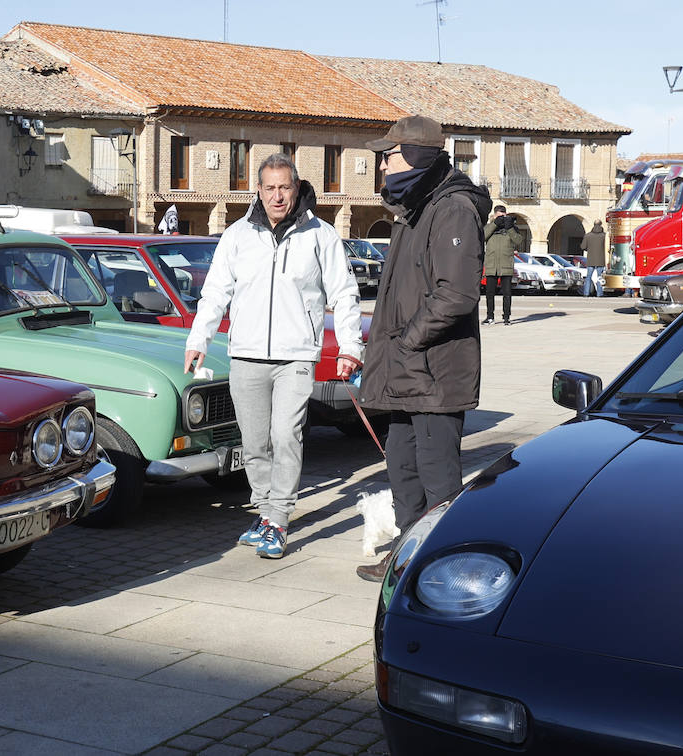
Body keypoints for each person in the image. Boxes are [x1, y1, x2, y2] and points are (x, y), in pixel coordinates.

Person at [184, 153, 363, 559]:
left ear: (296, 188)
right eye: (270, 188)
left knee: (286, 434)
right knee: (253, 443)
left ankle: (278, 520)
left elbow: (345, 294)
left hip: (296, 356)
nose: (278, 196)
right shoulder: (236, 235)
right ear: (258, 190)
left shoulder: (321, 235)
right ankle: (265, 511)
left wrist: (351, 347)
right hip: (246, 354)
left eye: (285, 187)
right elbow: (214, 293)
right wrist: (199, 340)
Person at [355, 115, 491, 582]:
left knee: (437, 479)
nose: (383, 167)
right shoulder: (416, 206)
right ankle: (408, 550)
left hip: (433, 372)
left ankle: (441, 563)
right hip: (408, 371)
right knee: (402, 463)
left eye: (388, 156)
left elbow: (455, 294)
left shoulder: (451, 208)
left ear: (414, 157)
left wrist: (408, 342)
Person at [482, 206, 521, 324]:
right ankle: (490, 317)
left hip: (506, 265)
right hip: (491, 265)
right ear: (494, 215)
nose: (501, 219)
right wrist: (495, 224)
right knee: (489, 293)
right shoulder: (489, 227)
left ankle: (506, 317)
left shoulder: (512, 228)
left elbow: (518, 240)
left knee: (507, 293)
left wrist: (509, 227)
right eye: (498, 216)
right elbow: (482, 237)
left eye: (503, 217)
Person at [581, 220, 606, 297]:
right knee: (599, 277)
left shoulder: (588, 235)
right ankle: (599, 293)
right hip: (601, 259)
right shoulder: (604, 236)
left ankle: (586, 293)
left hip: (591, 259)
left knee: (588, 277)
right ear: (601, 225)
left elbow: (583, 247)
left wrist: (589, 249)